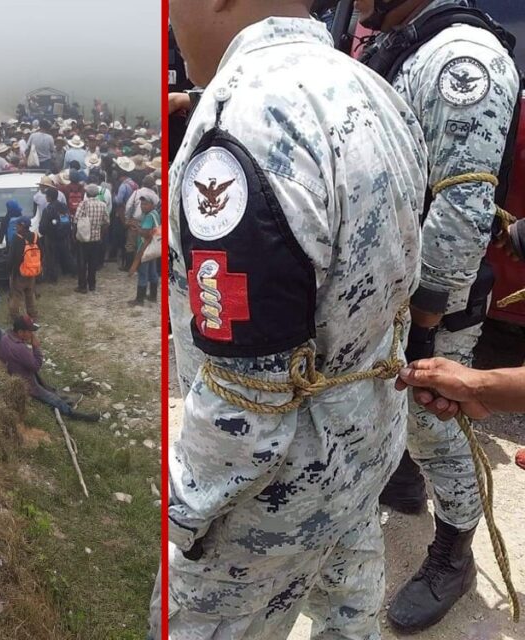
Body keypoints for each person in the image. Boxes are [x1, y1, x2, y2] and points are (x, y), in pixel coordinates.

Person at [159, 0, 428, 638]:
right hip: (363, 447)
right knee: (349, 615)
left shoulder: (243, 120)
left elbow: (248, 399)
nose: (168, 22)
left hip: (268, 501)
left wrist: (181, 512)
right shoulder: (371, 87)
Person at [355, 0, 520, 630]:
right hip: (398, 289)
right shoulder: (412, 42)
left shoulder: (461, 59)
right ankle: (405, 481)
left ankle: (455, 551)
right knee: (401, 410)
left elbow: (460, 210)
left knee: (432, 418)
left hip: (433, 300)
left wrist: (423, 322)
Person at [0, 315, 99, 421]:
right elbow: (36, 365)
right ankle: (76, 414)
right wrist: (36, 347)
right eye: (30, 331)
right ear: (21, 332)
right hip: (24, 382)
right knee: (50, 398)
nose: (32, 334)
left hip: (15, 372)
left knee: (45, 385)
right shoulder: (19, 347)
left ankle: (65, 397)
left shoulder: (6, 336)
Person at [72, 183, 107, 294]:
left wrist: (74, 235)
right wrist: (101, 235)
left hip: (83, 238)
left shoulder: (83, 204)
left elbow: (76, 221)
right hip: (96, 238)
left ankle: (82, 286)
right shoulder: (103, 205)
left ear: (86, 193)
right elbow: (106, 222)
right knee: (93, 263)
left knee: (82, 263)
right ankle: (92, 285)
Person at [128, 193, 159, 306]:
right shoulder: (155, 213)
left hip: (145, 248)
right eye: (142, 203)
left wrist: (137, 229)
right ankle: (153, 296)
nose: (142, 206)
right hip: (153, 248)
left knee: (142, 273)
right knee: (152, 272)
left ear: (152, 204)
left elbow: (146, 233)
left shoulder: (149, 216)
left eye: (146, 204)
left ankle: (139, 299)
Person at [7, 216, 39, 323]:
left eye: (17, 225)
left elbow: (12, 257)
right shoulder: (34, 236)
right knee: (30, 293)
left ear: (22, 226)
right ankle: (33, 314)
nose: (16, 227)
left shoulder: (17, 238)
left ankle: (15, 316)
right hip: (31, 271)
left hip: (19, 272)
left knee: (16, 294)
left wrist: (10, 270)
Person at [38, 186, 68, 284]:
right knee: (65, 254)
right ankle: (69, 271)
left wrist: (43, 233)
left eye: (46, 196)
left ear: (50, 197)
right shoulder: (63, 206)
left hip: (51, 237)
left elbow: (42, 227)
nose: (45, 197)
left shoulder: (48, 209)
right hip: (63, 235)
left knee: (51, 258)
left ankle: (53, 278)